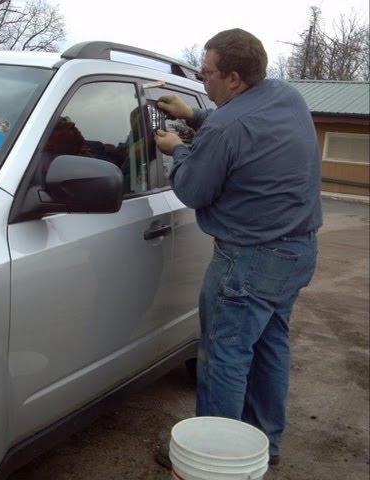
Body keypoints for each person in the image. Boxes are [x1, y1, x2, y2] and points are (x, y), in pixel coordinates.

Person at [154, 28, 322, 468]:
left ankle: (213, 462)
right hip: (296, 253)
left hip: (249, 260)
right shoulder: (285, 97)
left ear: (233, 78)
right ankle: (265, 447)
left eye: (206, 73)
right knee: (270, 349)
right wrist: (194, 115)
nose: (201, 78)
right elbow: (244, 129)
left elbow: (193, 189)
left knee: (224, 359)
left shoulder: (229, 125)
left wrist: (177, 150)